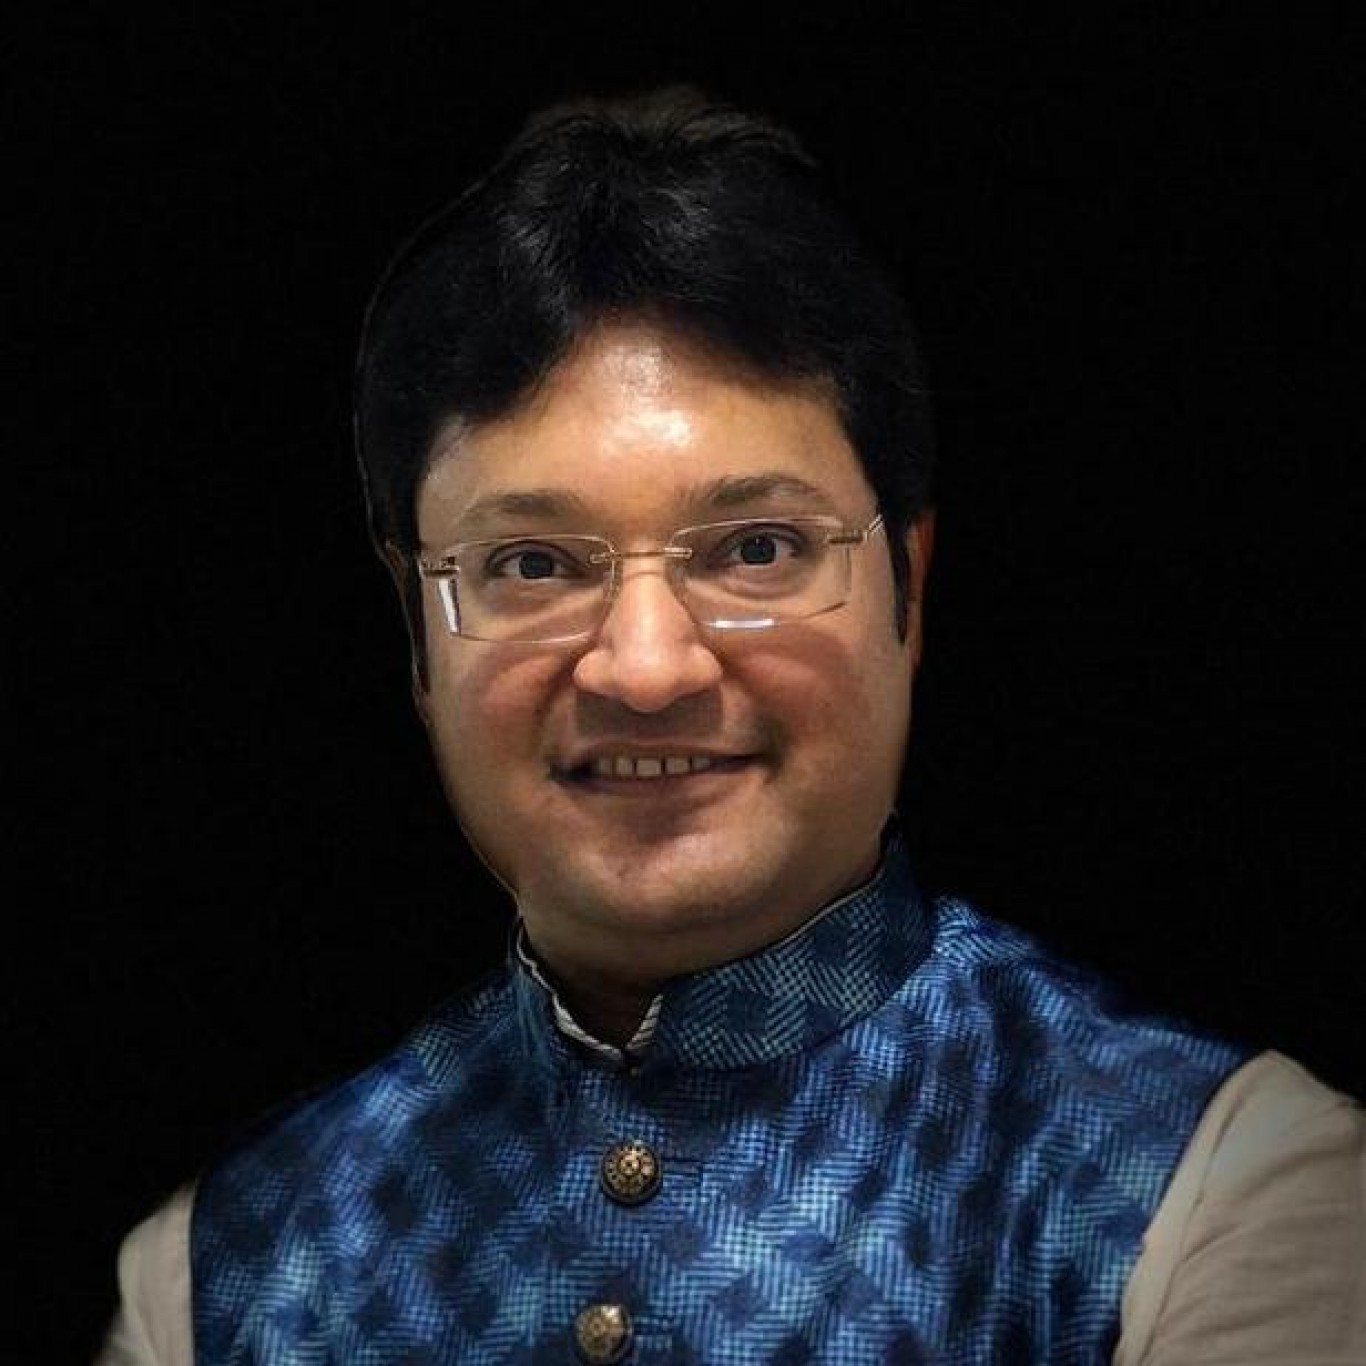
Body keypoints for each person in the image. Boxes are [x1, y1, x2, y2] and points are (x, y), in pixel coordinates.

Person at [98, 85, 1364, 1366]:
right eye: (532, 564)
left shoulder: (1221, 1186)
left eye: (755, 548)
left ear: (910, 586)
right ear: (414, 627)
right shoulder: (218, 1273)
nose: (645, 668)